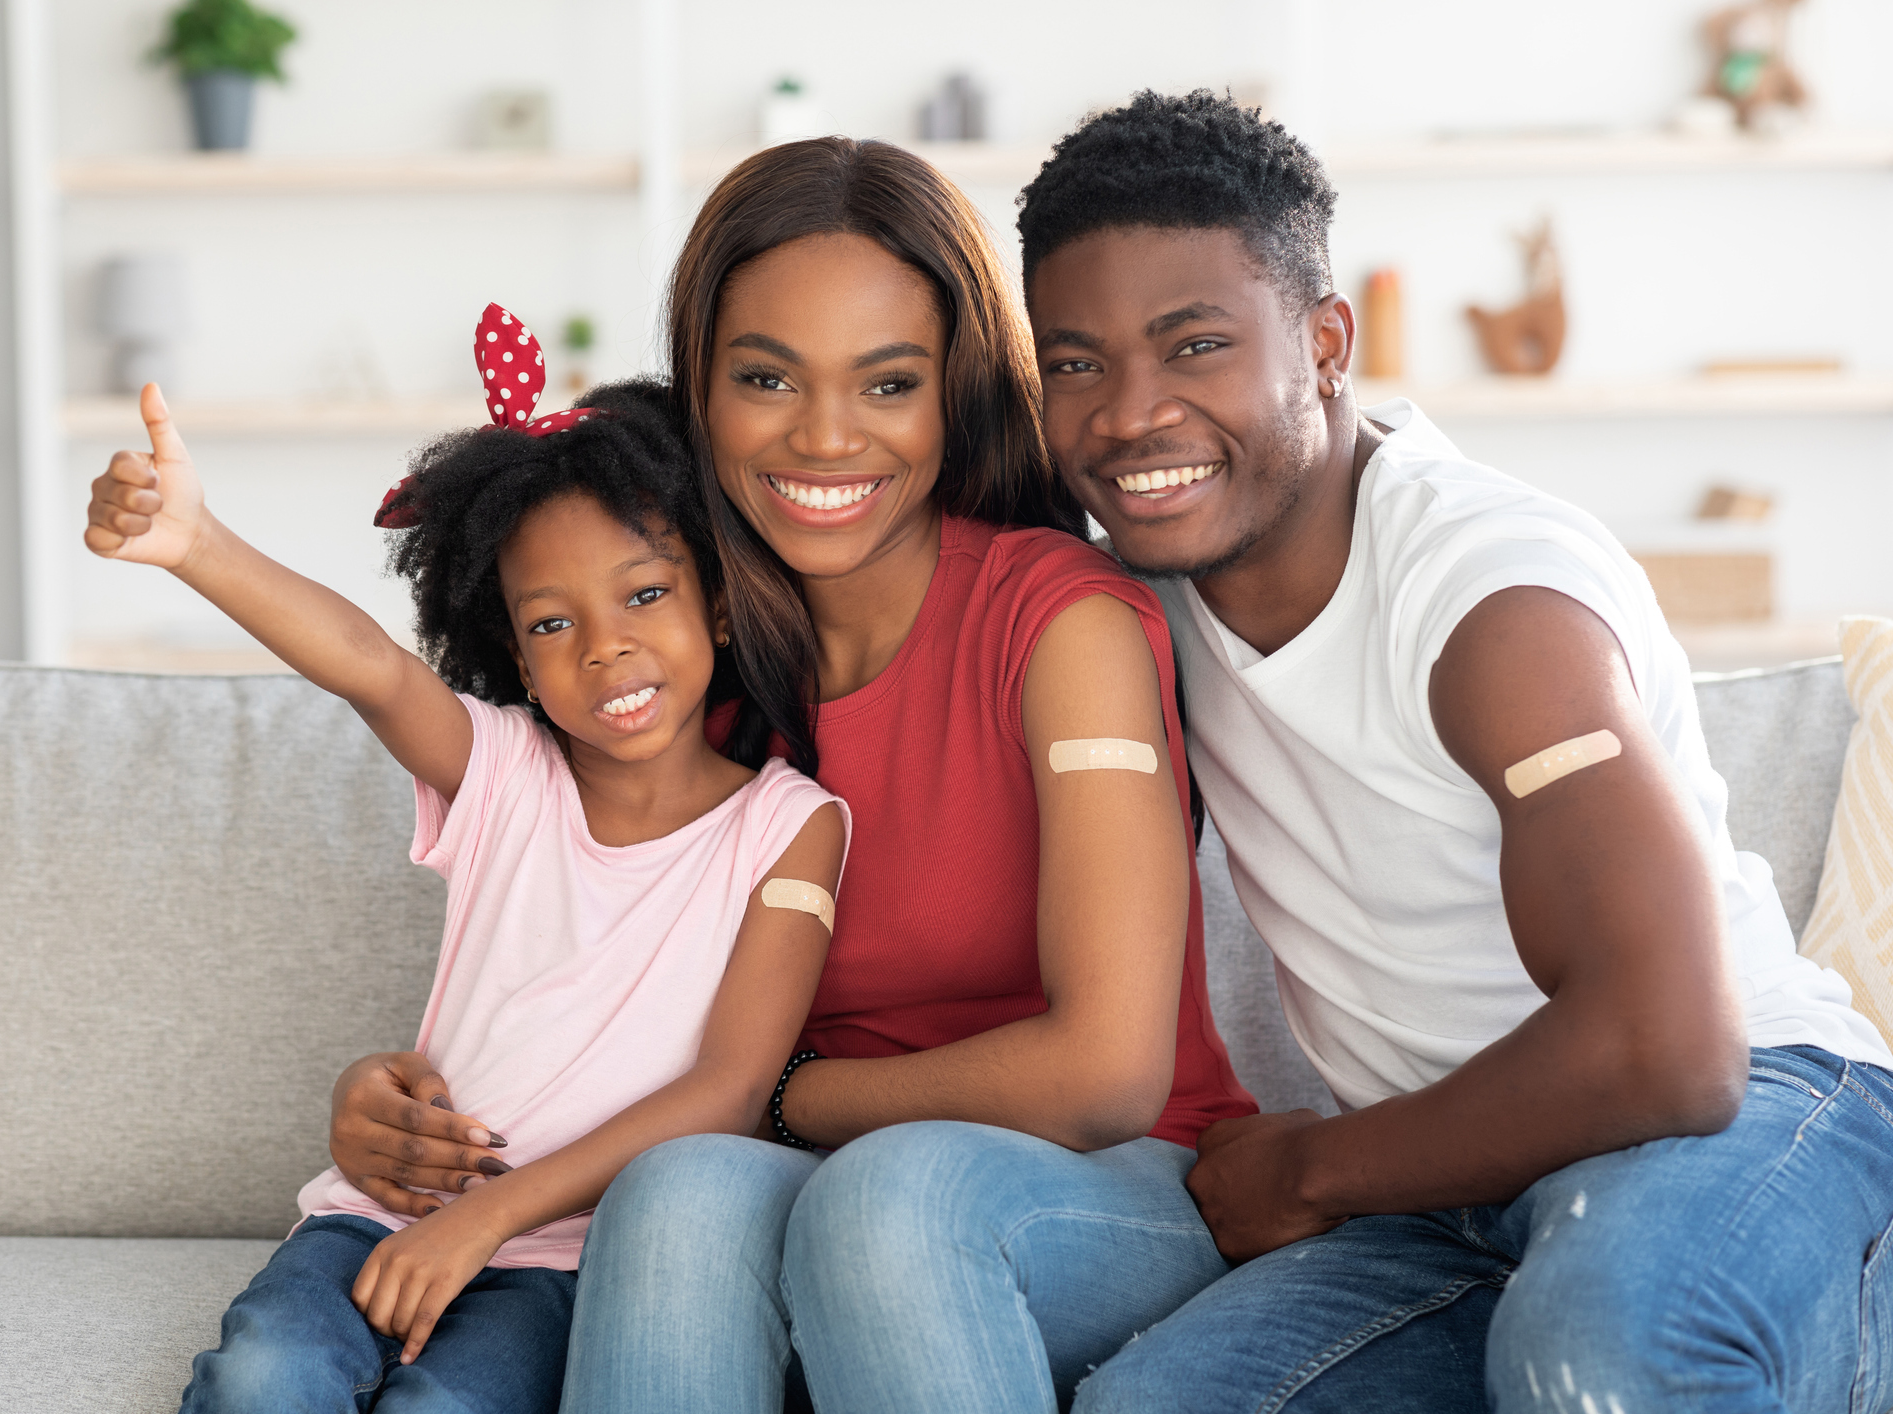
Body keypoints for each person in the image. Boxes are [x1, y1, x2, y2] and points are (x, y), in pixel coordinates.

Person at [1016, 91, 1893, 1412]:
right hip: (1454, 1196)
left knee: (1602, 1352)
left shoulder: (1491, 600)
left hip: (1767, 1126)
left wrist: (1311, 1169)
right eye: (1076, 363)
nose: (1127, 414)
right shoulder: (1126, 604)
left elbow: (1670, 1048)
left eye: (1194, 345)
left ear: (1327, 344)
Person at [322, 139, 1258, 1413]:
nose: (824, 437)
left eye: (888, 383)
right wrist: (395, 1104)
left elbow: (1105, 1077)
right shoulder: (669, 670)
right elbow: (552, 942)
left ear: (956, 396)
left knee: (888, 1195)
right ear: (695, 391)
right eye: (766, 378)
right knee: (676, 1188)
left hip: (1103, 1187)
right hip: (811, 1171)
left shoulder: (1061, 624)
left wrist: (774, 1096)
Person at [82, 340, 847, 1414]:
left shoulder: (791, 825)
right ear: (515, 655)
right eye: (552, 623)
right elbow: (370, 664)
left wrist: (487, 1218)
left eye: (644, 594)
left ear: (717, 606)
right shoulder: (504, 772)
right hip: (379, 1215)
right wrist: (198, 543)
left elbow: (727, 1087)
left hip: (567, 1262)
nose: (604, 648)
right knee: (262, 1375)